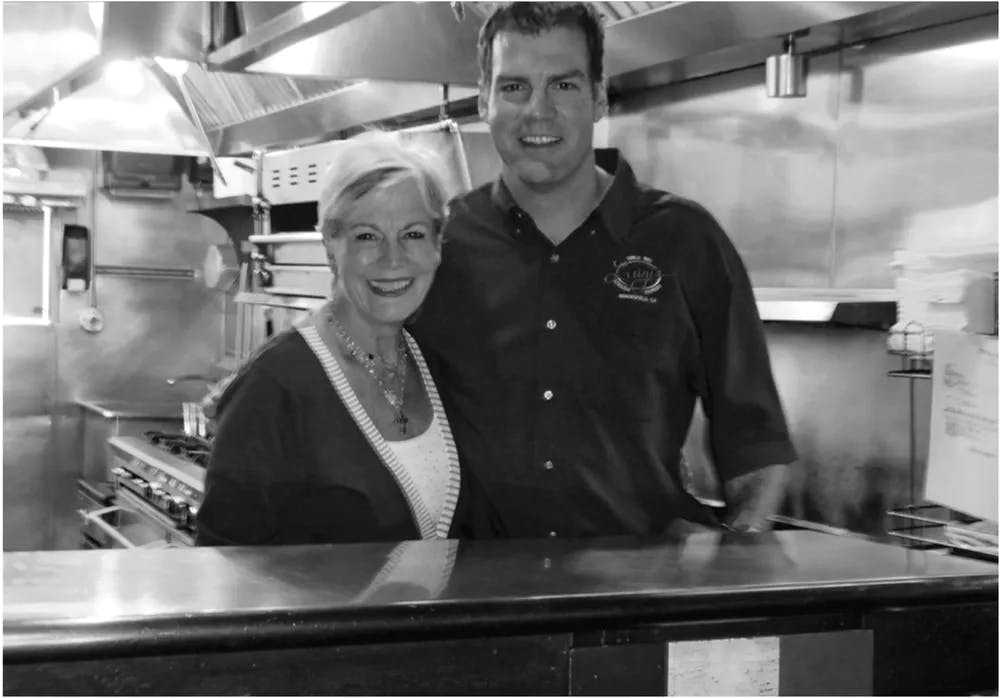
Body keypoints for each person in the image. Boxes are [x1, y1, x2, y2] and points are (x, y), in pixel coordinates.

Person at [409, 2, 797, 538]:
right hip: (472, 603)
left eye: (563, 86)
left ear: (598, 97)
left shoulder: (685, 240)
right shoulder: (440, 244)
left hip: (636, 600)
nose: (537, 111)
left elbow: (753, 439)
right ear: (485, 101)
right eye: (514, 87)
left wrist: (734, 565)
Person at [197, 130, 496, 546]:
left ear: (437, 246)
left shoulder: (438, 366)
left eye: (412, 234)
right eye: (367, 236)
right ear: (330, 247)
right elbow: (222, 563)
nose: (393, 258)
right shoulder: (274, 386)